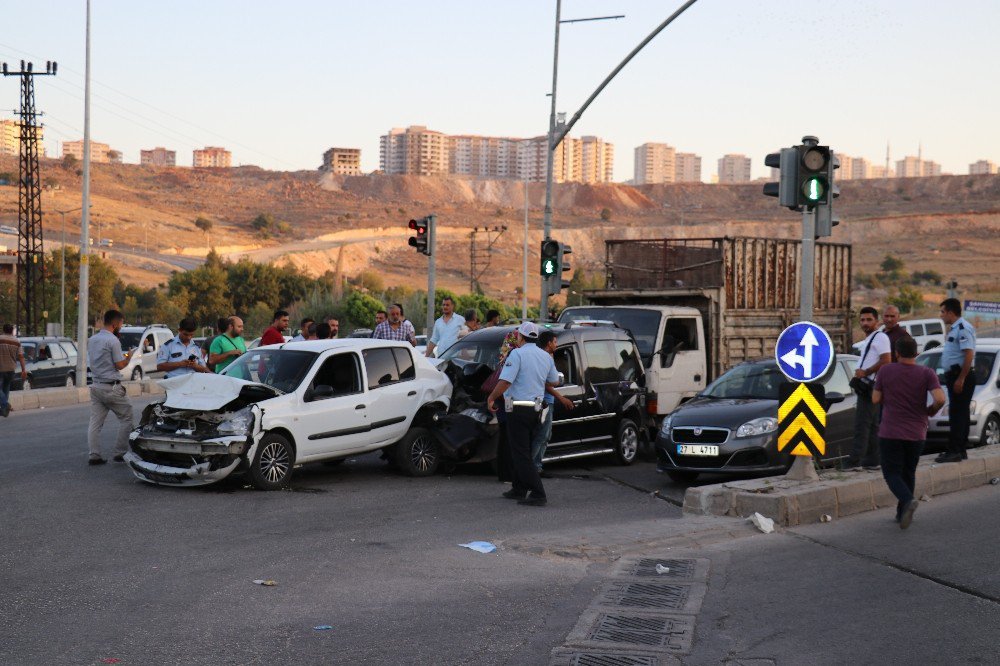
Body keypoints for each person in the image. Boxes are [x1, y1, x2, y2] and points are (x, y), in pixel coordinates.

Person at [873, 337, 945, 529]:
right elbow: (940, 398)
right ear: (917, 353)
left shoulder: (885, 370)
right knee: (908, 472)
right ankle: (901, 513)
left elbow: (875, 398)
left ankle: (908, 499)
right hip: (917, 432)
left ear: (897, 352)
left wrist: (890, 401)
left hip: (891, 431)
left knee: (891, 473)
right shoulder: (927, 372)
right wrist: (929, 410)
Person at [486, 322, 559, 507]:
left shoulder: (517, 354)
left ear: (521, 337)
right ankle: (518, 488)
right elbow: (554, 380)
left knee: (520, 454)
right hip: (536, 410)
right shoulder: (545, 356)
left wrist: (492, 397)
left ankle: (538, 492)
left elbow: (505, 381)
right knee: (522, 449)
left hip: (518, 409)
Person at [846, 306, 891, 471]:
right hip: (868, 386)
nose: (865, 323)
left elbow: (886, 360)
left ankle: (854, 461)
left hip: (869, 385)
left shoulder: (880, 338)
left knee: (862, 425)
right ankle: (872, 460)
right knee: (871, 426)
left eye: (869, 320)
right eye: (863, 320)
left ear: (876, 321)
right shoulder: (871, 338)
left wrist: (866, 372)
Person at [87, 310, 134, 465]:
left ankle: (94, 455)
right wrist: (129, 357)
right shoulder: (113, 341)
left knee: (95, 423)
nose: (121, 326)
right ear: (115, 324)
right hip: (111, 387)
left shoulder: (92, 339)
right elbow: (119, 365)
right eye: (121, 324)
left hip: (96, 386)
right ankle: (120, 452)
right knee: (127, 417)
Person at [937, 298, 977, 463]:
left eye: (943, 312)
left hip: (961, 376)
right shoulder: (955, 328)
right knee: (960, 414)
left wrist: (961, 379)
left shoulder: (962, 328)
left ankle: (955, 451)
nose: (941, 315)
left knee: (957, 415)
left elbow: (969, 354)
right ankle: (960, 450)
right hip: (955, 375)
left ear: (951, 313)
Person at [530, 330, 574, 477]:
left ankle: (536, 466)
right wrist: (562, 398)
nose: (556, 344)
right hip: (544, 402)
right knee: (542, 435)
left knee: (546, 435)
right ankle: (530, 467)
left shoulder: (549, 356)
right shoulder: (544, 358)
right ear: (549, 343)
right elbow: (546, 383)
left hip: (546, 401)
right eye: (555, 342)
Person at [0, 323, 27, 417]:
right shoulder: (17, 341)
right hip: (11, 369)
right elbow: (21, 356)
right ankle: (4, 410)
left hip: (1, 368)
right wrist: (24, 370)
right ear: (12, 331)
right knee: (6, 388)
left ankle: (5, 405)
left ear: (3, 330)